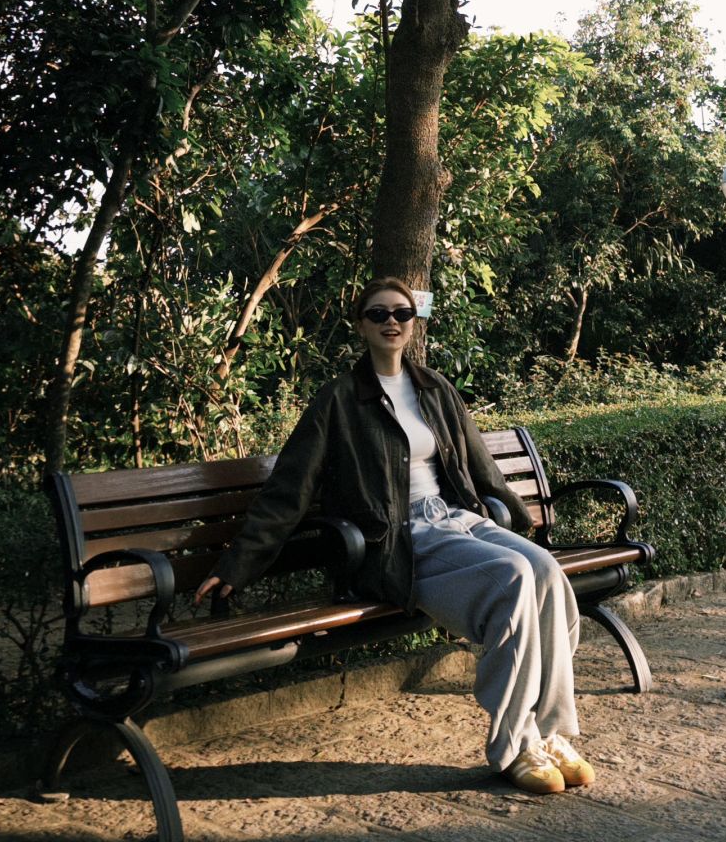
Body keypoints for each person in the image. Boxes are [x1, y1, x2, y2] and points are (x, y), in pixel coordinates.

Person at [195, 276, 594, 795]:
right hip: (397, 539)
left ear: (413, 322)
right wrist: (236, 565)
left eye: (401, 313)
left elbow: (479, 464)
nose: (391, 322)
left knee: (546, 571)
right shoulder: (338, 400)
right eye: (378, 314)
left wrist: (517, 520)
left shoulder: (434, 388)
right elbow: (288, 490)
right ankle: (515, 747)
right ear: (361, 325)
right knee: (515, 579)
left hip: (454, 518)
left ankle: (554, 733)